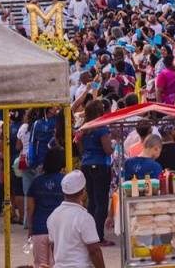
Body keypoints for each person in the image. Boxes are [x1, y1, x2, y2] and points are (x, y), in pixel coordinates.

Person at [46, 170, 106, 268]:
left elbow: (53, 246)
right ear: (83, 192)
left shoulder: (53, 216)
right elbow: (94, 251)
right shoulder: (84, 217)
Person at [76, 101, 113, 246]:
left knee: (91, 201)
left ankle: (89, 235)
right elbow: (107, 150)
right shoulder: (102, 128)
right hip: (100, 165)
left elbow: (80, 149)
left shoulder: (83, 129)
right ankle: (98, 237)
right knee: (101, 202)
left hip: (86, 164)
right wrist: (114, 145)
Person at [26, 146, 65, 268]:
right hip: (59, 230)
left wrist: (30, 227)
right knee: (57, 264)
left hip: (39, 228)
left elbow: (30, 208)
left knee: (40, 264)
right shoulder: (64, 181)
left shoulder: (36, 182)